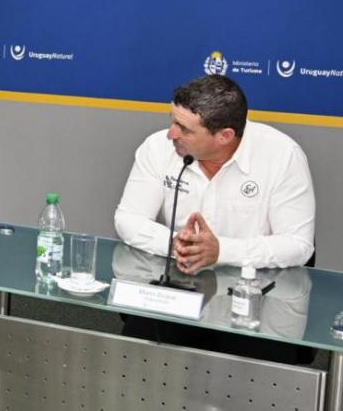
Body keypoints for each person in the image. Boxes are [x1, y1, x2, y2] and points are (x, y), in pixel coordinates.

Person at [115, 75, 315, 273]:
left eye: (184, 129)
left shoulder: (282, 155)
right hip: (180, 284)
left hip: (254, 290)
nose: (171, 134)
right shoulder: (157, 147)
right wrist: (175, 244)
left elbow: (298, 245)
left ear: (224, 136)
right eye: (173, 121)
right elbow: (128, 219)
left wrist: (222, 251)